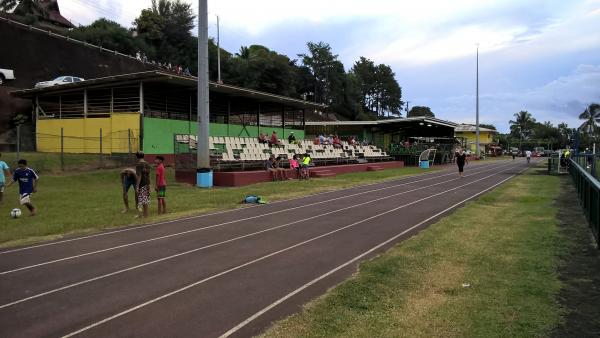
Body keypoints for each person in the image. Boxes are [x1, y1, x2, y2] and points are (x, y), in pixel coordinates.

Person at [135, 152, 151, 218]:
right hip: (147, 183)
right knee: (146, 199)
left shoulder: (139, 164)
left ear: (137, 157)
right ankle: (145, 214)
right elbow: (148, 174)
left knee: (144, 200)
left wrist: (137, 186)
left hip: (142, 184)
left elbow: (139, 176)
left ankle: (145, 215)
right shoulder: (147, 164)